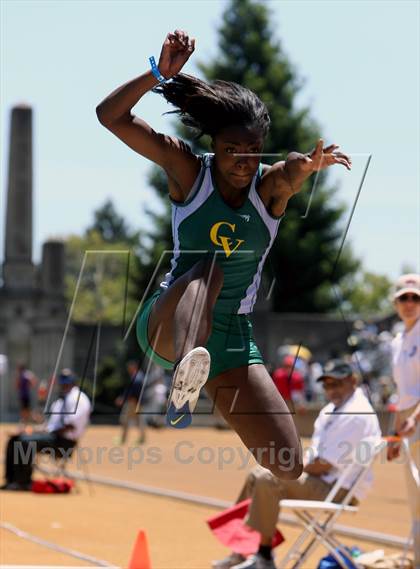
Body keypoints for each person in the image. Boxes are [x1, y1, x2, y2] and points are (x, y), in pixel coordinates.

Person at [96, 29, 351, 478]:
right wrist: (158, 74)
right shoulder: (188, 170)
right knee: (209, 268)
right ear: (214, 144)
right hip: (171, 322)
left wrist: (309, 168)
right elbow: (109, 116)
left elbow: (289, 170)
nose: (242, 161)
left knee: (288, 464)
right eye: (232, 150)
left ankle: (201, 372)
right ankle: (186, 371)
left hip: (231, 334)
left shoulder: (268, 187)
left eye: (252, 151)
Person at [212, 359, 382, 569]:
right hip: (325, 481)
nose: (331, 390)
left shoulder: (356, 413)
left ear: (353, 381)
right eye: (327, 385)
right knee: (257, 474)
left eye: (337, 383)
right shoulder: (333, 409)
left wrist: (290, 468)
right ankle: (242, 548)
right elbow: (317, 459)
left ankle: (263, 556)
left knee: (268, 478)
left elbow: (323, 464)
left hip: (338, 489)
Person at [1, 369, 91, 491]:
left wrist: (46, 432)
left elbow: (71, 425)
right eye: (62, 383)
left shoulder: (78, 398)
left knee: (24, 442)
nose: (64, 385)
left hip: (64, 443)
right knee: (15, 439)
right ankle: (11, 480)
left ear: (73, 383)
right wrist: (34, 430)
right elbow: (51, 425)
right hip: (53, 437)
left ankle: (23, 482)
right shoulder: (61, 400)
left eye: (67, 383)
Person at [386, 273, 420, 567]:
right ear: (395, 303)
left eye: (415, 297)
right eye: (404, 298)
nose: (409, 303)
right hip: (408, 418)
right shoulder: (398, 340)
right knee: (415, 495)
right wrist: (397, 434)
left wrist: (416, 418)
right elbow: (402, 392)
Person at [115, 360, 147, 444]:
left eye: (130, 368)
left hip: (133, 403)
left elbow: (133, 392)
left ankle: (123, 439)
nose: (128, 369)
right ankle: (142, 439)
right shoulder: (138, 376)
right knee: (138, 421)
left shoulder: (137, 378)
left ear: (134, 367)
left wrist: (123, 399)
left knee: (125, 420)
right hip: (136, 403)